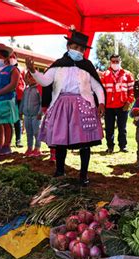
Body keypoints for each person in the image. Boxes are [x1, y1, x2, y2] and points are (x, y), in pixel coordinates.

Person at [25, 30, 105, 186]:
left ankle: (83, 175)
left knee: (85, 142)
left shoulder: (87, 66)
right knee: (61, 140)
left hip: (83, 107)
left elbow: (97, 87)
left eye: (82, 49)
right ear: (68, 46)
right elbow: (46, 81)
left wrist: (101, 102)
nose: (79, 51)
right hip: (61, 107)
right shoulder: (58, 65)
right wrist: (34, 71)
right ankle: (60, 171)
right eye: (76, 47)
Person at [101, 54, 135, 153]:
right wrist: (102, 104)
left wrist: (129, 102)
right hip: (109, 106)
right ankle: (110, 147)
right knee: (109, 128)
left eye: (117, 61)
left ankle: (123, 146)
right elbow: (101, 91)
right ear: (110, 62)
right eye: (113, 61)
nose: (115, 63)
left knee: (122, 128)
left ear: (120, 62)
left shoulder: (127, 74)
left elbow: (131, 91)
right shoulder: (105, 75)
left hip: (122, 106)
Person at [19, 72, 43, 157]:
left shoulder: (39, 89)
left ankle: (37, 148)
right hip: (27, 115)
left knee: (37, 132)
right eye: (29, 77)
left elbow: (41, 102)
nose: (31, 79)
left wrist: (40, 112)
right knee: (29, 132)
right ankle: (29, 148)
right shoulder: (26, 90)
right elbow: (22, 101)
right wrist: (20, 111)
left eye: (33, 77)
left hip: (36, 115)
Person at [10, 52, 25, 148]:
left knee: (17, 118)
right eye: (10, 57)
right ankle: (7, 140)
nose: (11, 59)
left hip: (19, 96)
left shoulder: (21, 69)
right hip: (9, 96)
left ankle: (18, 139)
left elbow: (24, 82)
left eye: (13, 57)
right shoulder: (6, 69)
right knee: (8, 119)